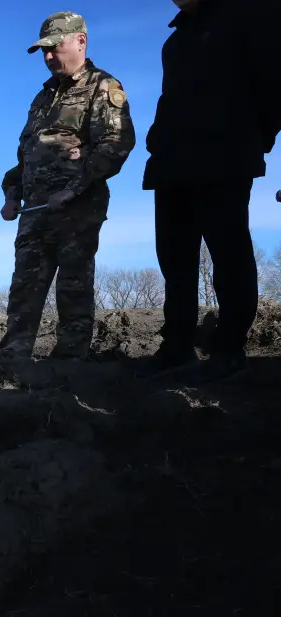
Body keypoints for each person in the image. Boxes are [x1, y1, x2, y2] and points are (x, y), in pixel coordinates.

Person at [137, 0, 280, 382]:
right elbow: (169, 98)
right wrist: (158, 142)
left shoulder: (251, 14)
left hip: (224, 156)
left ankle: (230, 348)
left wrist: (253, 138)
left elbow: (272, 82)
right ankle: (178, 346)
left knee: (229, 253)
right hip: (172, 163)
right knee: (175, 260)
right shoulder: (176, 40)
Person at [0, 11, 136, 362]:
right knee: (22, 294)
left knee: (73, 292)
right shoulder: (42, 98)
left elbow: (115, 145)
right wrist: (11, 194)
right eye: (43, 51)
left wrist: (73, 189)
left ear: (80, 41)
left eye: (53, 48)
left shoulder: (103, 87)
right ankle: (10, 369)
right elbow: (25, 159)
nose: (47, 57)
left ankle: (69, 372)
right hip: (33, 215)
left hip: (77, 212)